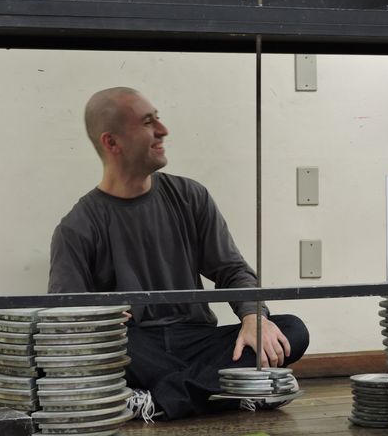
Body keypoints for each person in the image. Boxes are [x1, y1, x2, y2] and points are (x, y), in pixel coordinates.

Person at [49, 87, 309, 420]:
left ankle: (159, 400)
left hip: (197, 339)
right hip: (136, 347)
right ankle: (228, 391)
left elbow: (232, 270)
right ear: (112, 142)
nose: (163, 130)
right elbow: (66, 321)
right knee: (104, 352)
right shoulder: (76, 227)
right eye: (147, 122)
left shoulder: (190, 196)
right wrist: (100, 317)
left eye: (157, 118)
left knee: (292, 329)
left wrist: (253, 317)